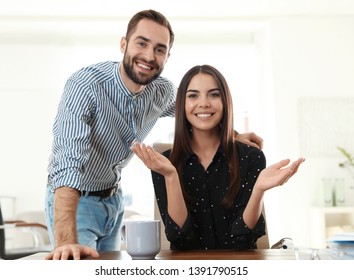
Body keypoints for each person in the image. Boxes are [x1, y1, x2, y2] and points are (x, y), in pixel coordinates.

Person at [44, 10, 263, 260]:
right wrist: (66, 241)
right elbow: (67, 164)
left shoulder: (161, 92)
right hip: (77, 200)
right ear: (123, 44)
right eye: (141, 43)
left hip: (113, 200)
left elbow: (197, 108)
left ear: (167, 57)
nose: (149, 56)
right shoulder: (86, 86)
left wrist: (232, 135)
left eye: (159, 49)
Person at [131, 65, 305, 250]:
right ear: (182, 104)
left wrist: (259, 190)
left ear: (225, 101)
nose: (204, 103)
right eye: (193, 95)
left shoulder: (251, 157)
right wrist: (171, 176)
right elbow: (180, 239)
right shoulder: (165, 163)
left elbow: (244, 240)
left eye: (214, 94)